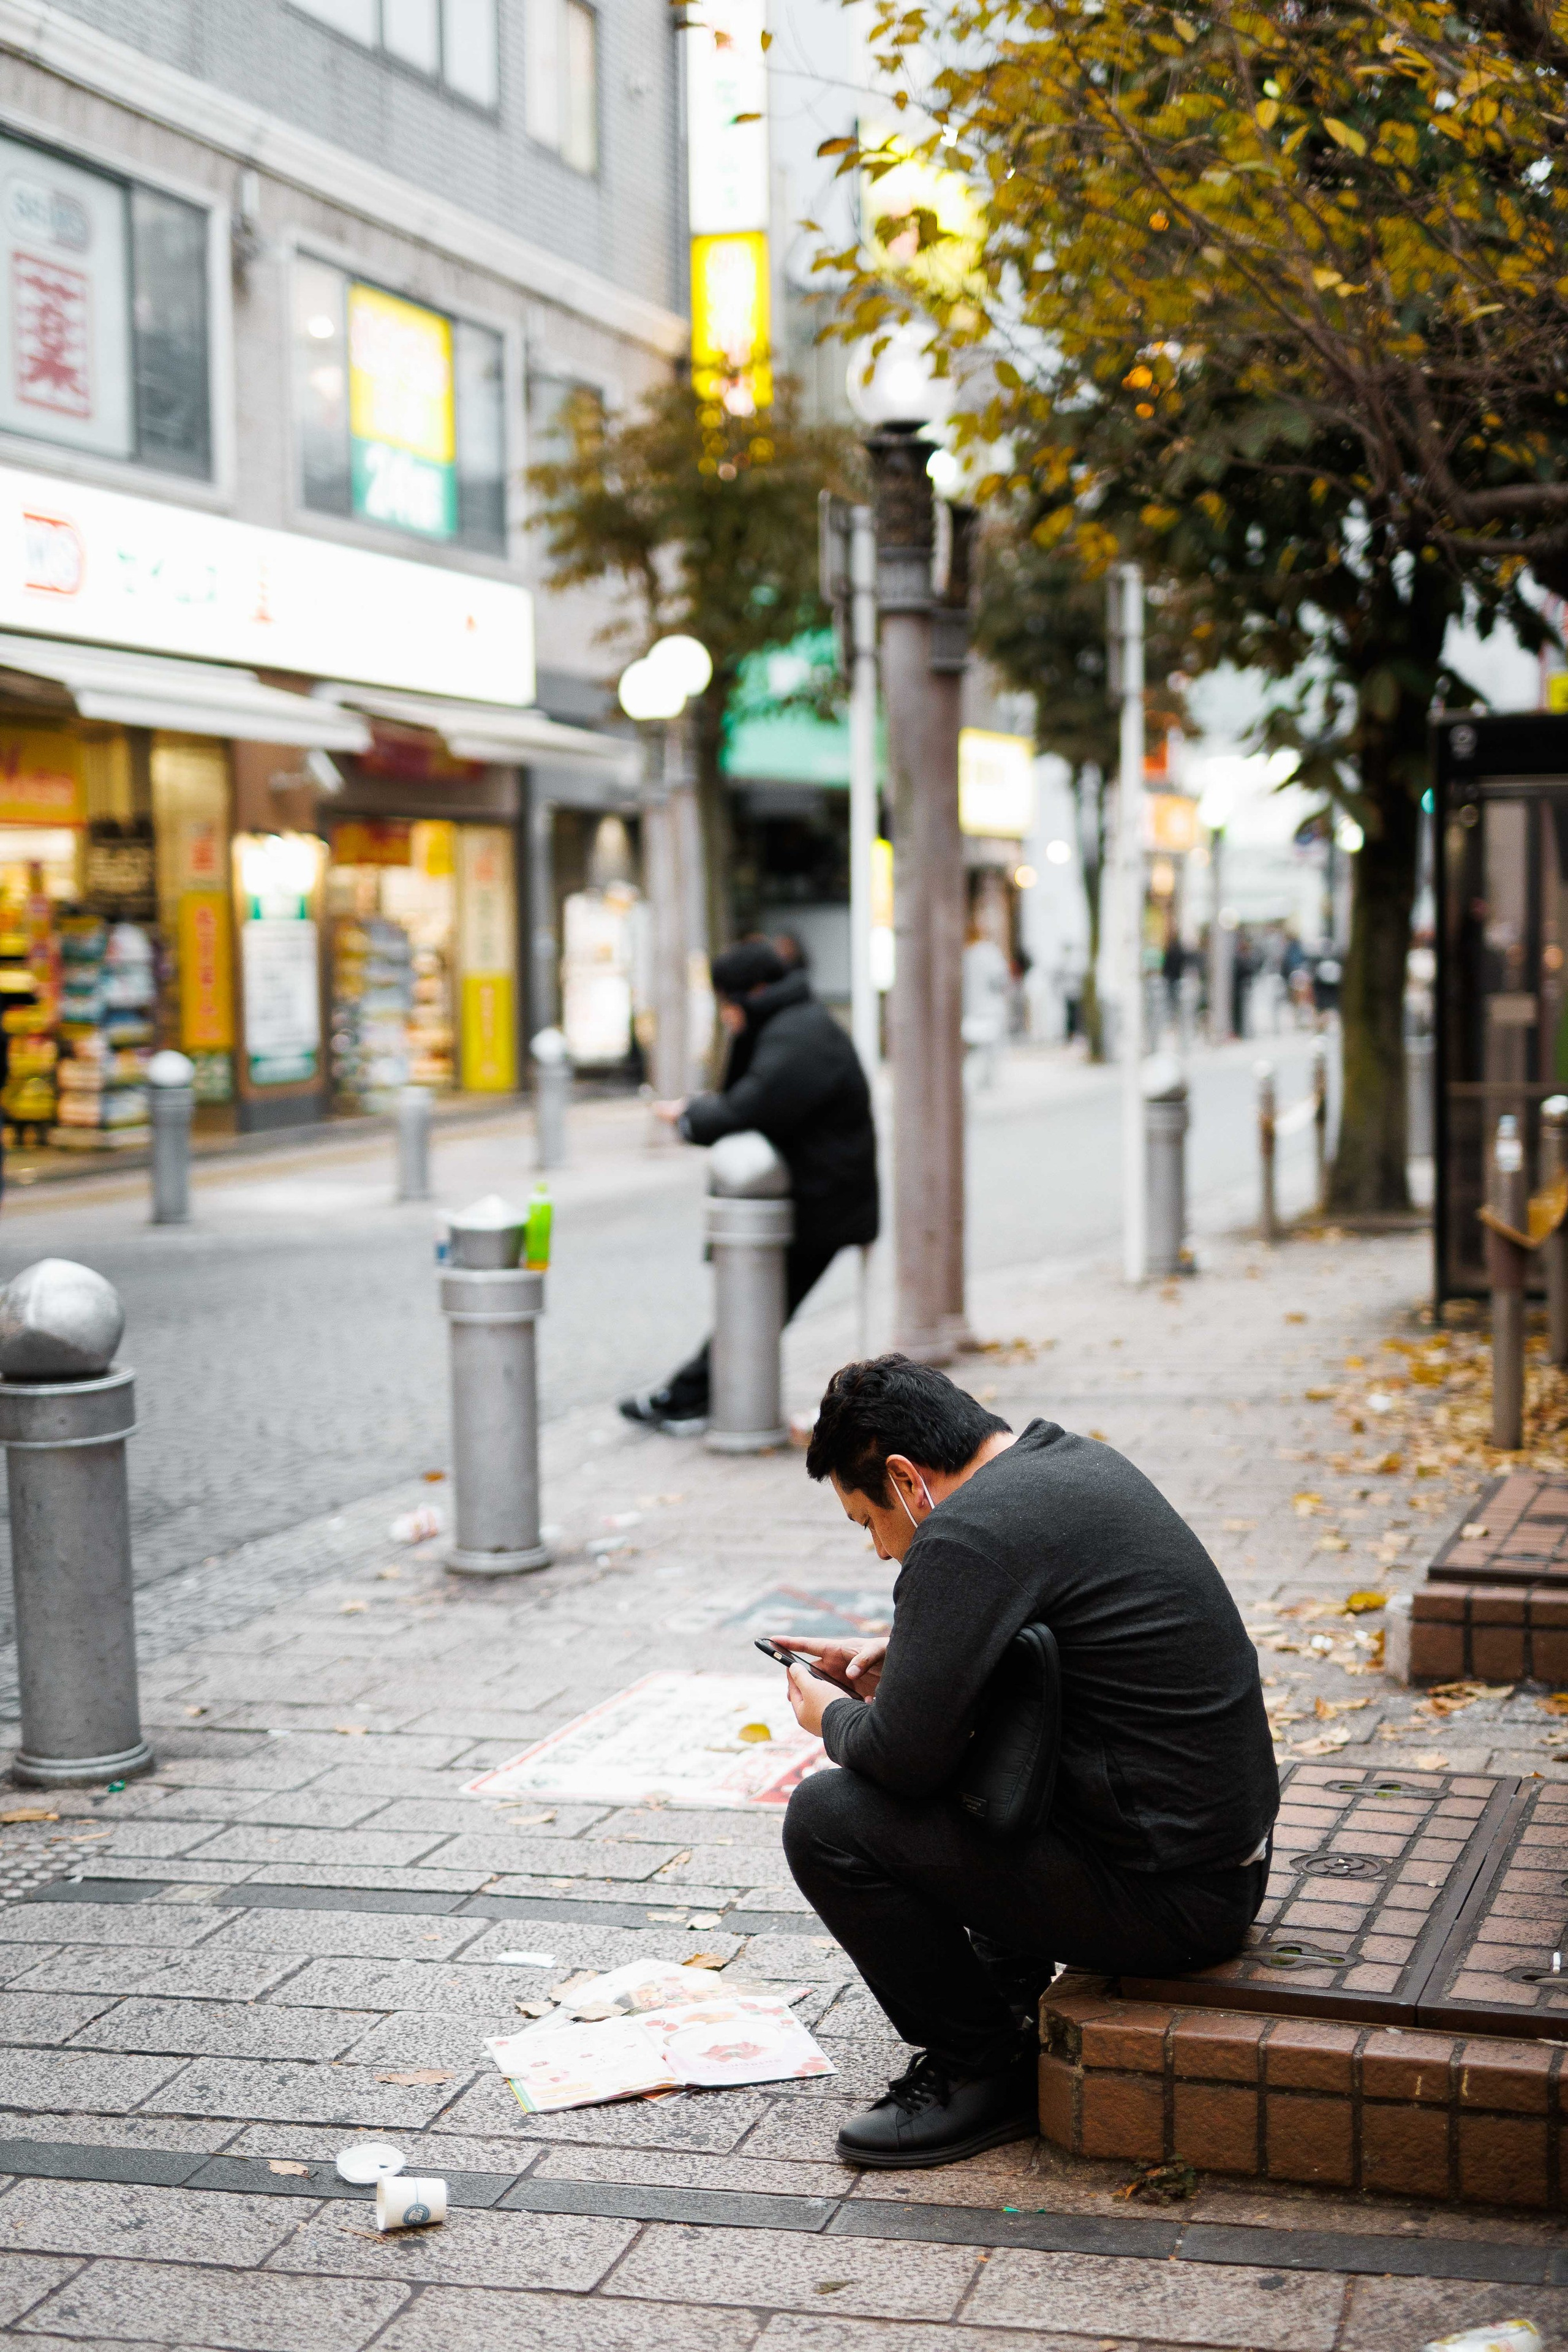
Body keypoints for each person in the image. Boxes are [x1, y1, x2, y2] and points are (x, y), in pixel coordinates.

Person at [772, 1355, 1277, 2169]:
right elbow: (1048, 1645)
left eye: (868, 1521)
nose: (877, 1550)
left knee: (829, 1818)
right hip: (1216, 1867)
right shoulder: (1063, 1465)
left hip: (1170, 1903)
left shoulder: (967, 1537)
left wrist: (827, 1715)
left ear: (907, 1479)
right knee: (960, 1746)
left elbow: (901, 1761)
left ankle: (983, 2071)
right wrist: (911, 1656)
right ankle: (1009, 1990)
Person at [619, 940, 878, 1432]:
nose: (725, 1015)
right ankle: (691, 1396)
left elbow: (751, 1105)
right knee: (758, 1304)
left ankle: (691, 1399)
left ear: (752, 993)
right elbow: (751, 1095)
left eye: (727, 1003)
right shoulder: (793, 1024)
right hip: (816, 1195)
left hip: (818, 1201)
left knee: (758, 1305)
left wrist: (692, 1118)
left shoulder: (796, 1035)